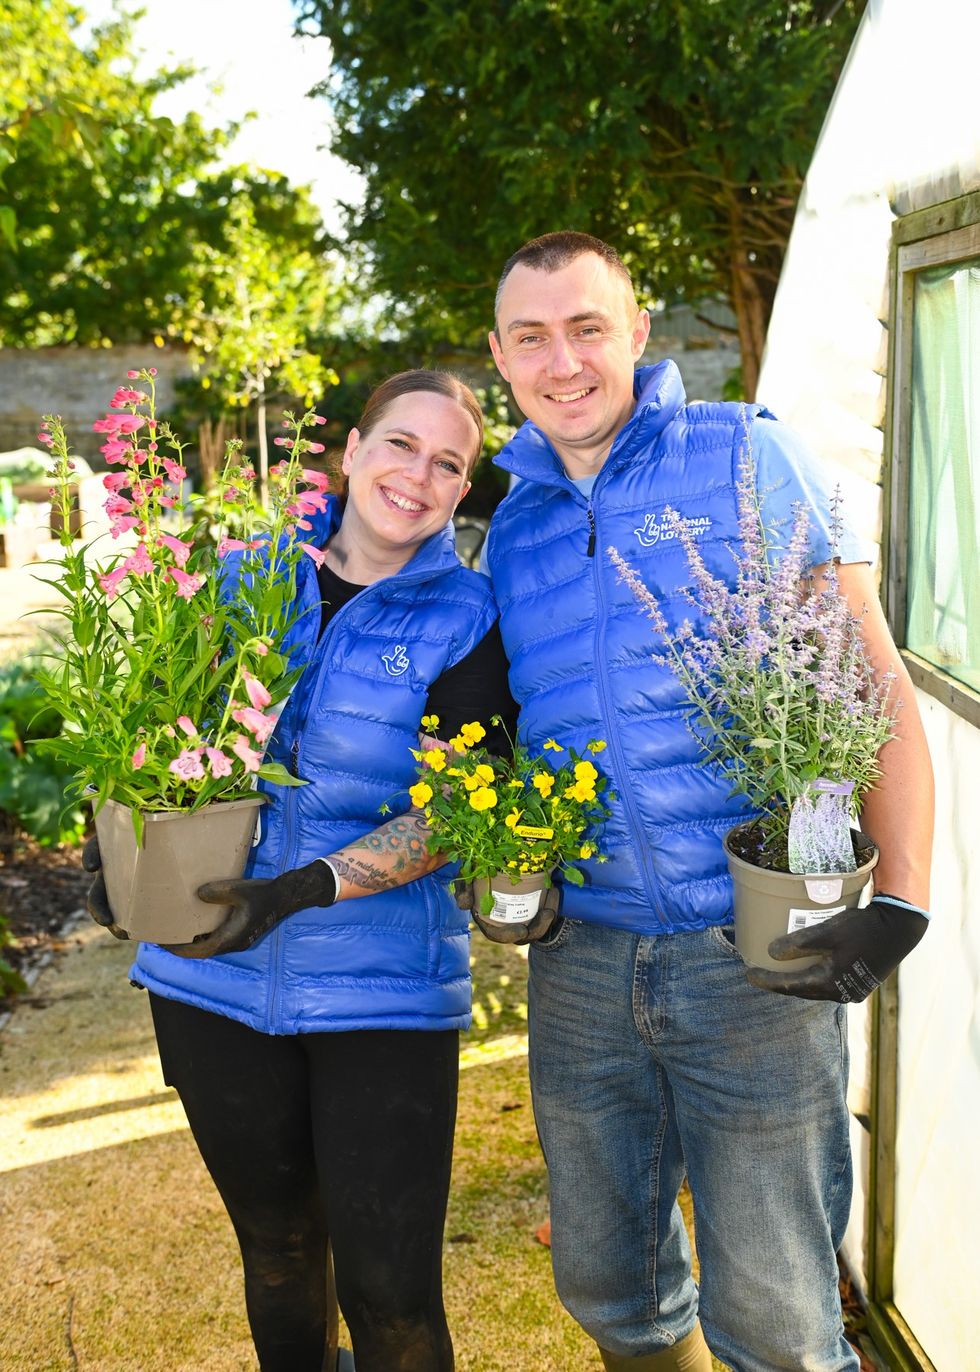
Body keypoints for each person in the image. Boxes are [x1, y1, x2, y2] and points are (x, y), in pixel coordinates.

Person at [481, 232, 934, 1372]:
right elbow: (509, 743)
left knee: (779, 1318)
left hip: (752, 953)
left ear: (636, 333)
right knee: (605, 1281)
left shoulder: (740, 456)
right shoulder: (513, 528)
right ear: (499, 358)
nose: (563, 360)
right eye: (531, 337)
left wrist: (902, 902)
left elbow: (867, 677)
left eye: (587, 326)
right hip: (581, 957)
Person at [85, 369, 516, 1372]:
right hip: (206, 975)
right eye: (399, 444)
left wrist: (298, 890)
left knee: (392, 1295)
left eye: (446, 463)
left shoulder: (466, 619)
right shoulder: (238, 580)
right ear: (353, 451)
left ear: (461, 493)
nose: (417, 475)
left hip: (383, 990)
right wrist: (105, 848)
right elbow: (149, 731)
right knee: (277, 1255)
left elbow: (455, 811)